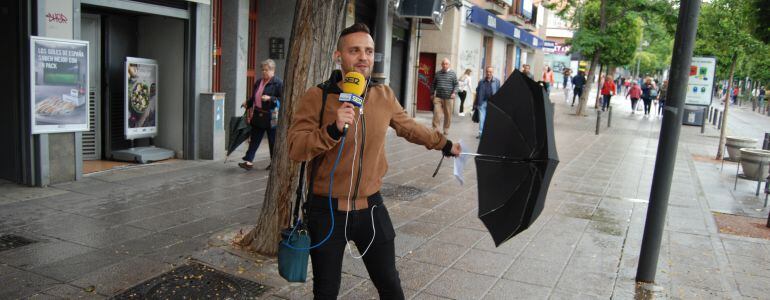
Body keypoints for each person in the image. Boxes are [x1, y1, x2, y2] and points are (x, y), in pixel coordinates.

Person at [287, 23, 461, 299]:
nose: (363, 57)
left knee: (390, 285)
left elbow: (410, 127)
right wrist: (332, 130)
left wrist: (444, 143)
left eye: (368, 51)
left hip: (370, 208)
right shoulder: (317, 97)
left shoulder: (383, 95)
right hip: (326, 210)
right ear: (339, 55)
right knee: (326, 291)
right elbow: (296, 149)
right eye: (354, 50)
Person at [239, 59, 283, 170]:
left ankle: (274, 163)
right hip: (259, 114)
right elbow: (255, 97)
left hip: (272, 115)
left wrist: (270, 98)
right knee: (254, 139)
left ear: (273, 70)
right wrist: (248, 103)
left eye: (266, 70)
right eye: (262, 70)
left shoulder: (278, 83)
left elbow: (283, 99)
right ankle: (248, 161)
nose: (264, 72)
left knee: (273, 140)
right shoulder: (259, 82)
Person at [430, 58, 459, 135]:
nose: (444, 65)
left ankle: (446, 129)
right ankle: (435, 129)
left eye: (446, 64)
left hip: (448, 98)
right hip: (438, 97)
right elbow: (433, 84)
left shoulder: (453, 74)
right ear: (441, 65)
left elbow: (456, 84)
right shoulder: (438, 73)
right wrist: (432, 93)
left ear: (449, 65)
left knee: (448, 114)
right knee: (436, 113)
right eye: (443, 64)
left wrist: (454, 93)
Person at [474, 66, 501, 139]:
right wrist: (476, 104)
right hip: (482, 102)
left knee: (491, 119)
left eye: (490, 72)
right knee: (482, 118)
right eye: (487, 72)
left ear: (493, 72)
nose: (488, 73)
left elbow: (499, 92)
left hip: (492, 103)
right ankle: (481, 133)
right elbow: (477, 92)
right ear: (485, 72)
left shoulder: (497, 81)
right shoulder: (481, 82)